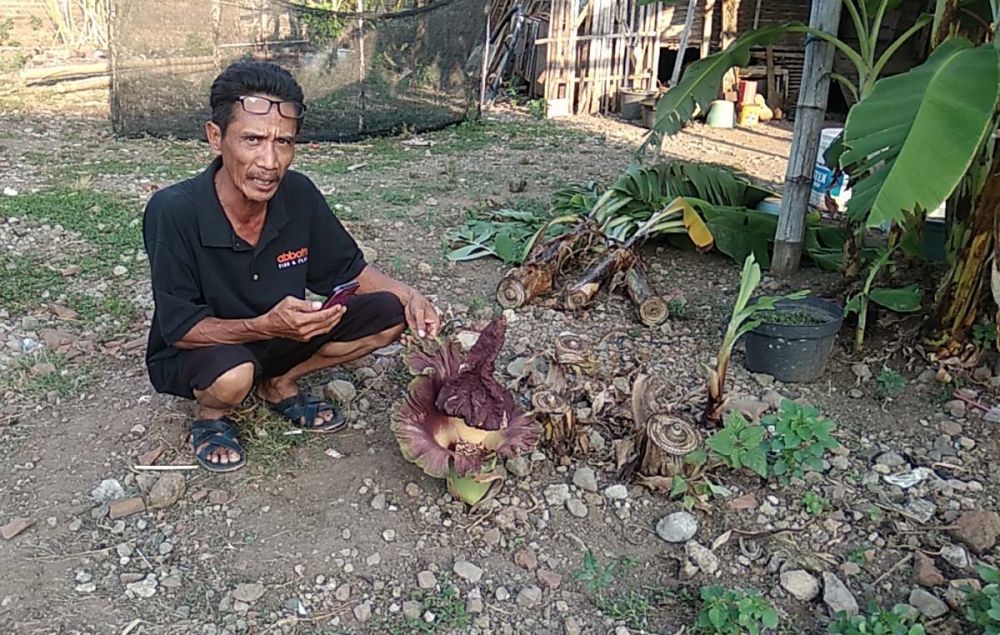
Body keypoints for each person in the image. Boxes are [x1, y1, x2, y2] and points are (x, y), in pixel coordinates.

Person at [142, 60, 440, 472]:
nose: (270, 161)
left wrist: (412, 297)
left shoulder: (298, 194)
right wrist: (265, 326)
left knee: (389, 314)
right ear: (216, 137)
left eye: (283, 142)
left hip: (279, 337)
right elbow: (181, 327)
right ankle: (210, 417)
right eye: (252, 139)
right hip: (207, 349)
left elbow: (348, 270)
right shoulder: (174, 210)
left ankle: (279, 383)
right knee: (233, 375)